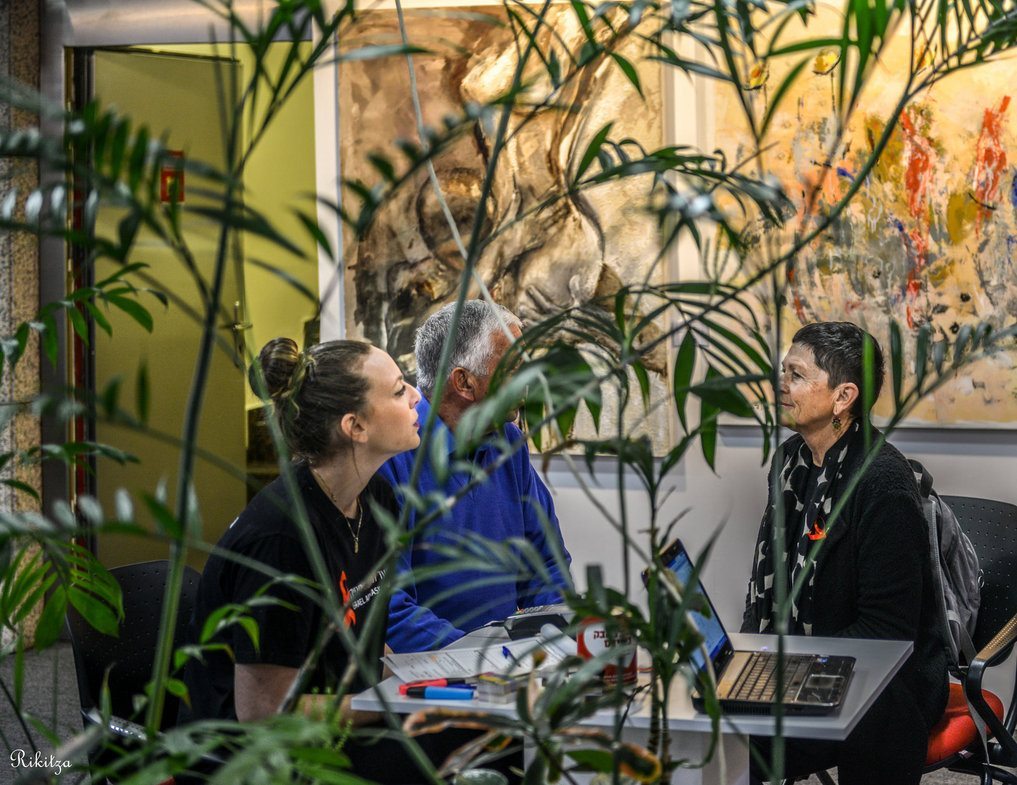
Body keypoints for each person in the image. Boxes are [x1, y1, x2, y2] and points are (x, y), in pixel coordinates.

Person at [180, 337, 442, 782]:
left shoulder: (376, 499)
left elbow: (362, 633)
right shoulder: (281, 539)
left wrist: (432, 678)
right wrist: (393, 700)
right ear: (355, 426)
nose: (417, 395)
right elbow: (264, 716)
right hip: (254, 762)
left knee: (476, 737)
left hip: (335, 726)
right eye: (399, 390)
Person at [742, 321, 948, 785]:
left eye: (796, 375)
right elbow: (768, 587)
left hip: (886, 685)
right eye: (784, 370)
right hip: (806, 665)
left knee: (747, 744)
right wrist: (750, 659)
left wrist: (788, 674)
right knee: (717, 734)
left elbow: (886, 632)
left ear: (843, 397)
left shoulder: (883, 485)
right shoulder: (789, 462)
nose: (781, 383)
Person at [382, 299, 572, 653]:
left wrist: (556, 638)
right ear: (464, 383)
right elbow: (391, 609)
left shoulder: (509, 443)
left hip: (507, 669)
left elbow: (545, 563)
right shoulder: (394, 458)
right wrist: (480, 659)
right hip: (435, 679)